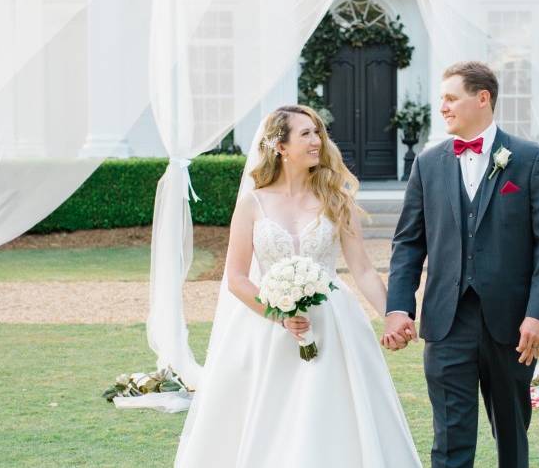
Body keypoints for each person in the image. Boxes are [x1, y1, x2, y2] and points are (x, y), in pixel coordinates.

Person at [175, 105, 421, 468]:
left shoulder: (336, 199)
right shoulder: (252, 202)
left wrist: (393, 316)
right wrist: (278, 314)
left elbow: (364, 270)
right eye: (305, 133)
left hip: (333, 327)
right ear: (279, 145)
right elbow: (236, 278)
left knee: (329, 414)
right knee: (269, 420)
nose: (317, 140)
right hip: (267, 330)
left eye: (318, 133)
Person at [383, 61, 539, 468]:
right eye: (442, 99)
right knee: (449, 438)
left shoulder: (531, 159)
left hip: (513, 326)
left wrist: (538, 315)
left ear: (482, 98)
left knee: (512, 436)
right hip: (447, 324)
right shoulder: (427, 165)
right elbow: (408, 244)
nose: (443, 107)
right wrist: (398, 308)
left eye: (451, 98)